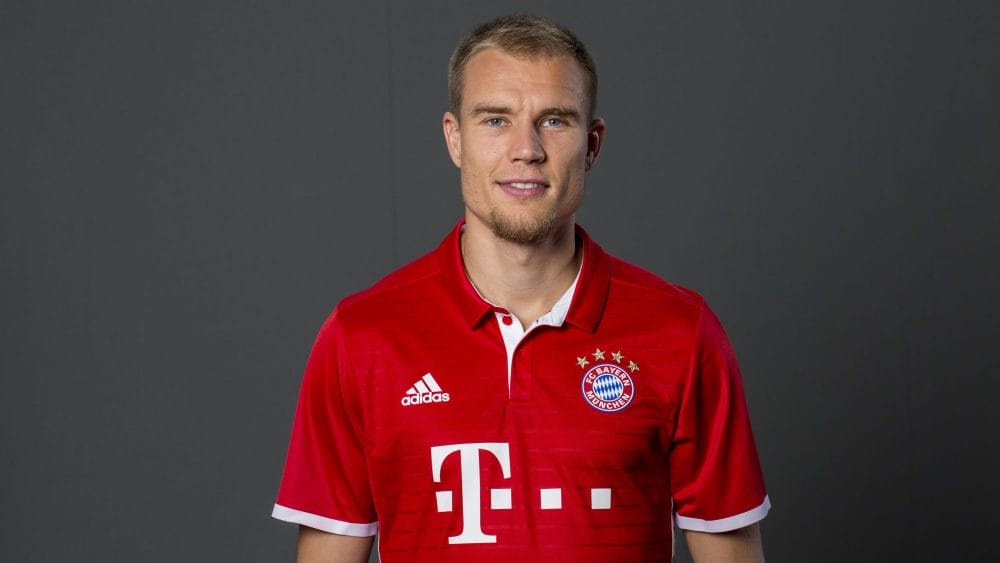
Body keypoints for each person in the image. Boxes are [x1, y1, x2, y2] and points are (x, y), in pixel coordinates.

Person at [273, 14, 769, 562]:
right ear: (454, 138)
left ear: (593, 144)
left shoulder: (682, 332)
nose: (526, 149)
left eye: (554, 121)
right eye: (495, 120)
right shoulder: (360, 338)